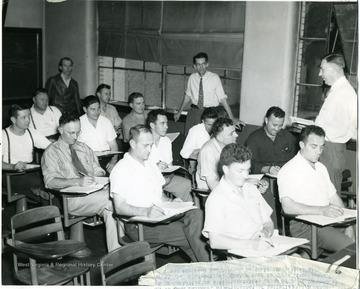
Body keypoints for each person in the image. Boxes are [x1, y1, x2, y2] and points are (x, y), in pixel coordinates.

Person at [110, 125, 209, 262]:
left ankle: (203, 265)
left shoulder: (150, 165)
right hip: (139, 224)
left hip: (161, 215)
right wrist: (146, 212)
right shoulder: (121, 169)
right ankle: (208, 266)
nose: (150, 150)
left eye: (151, 145)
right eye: (145, 146)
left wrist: (170, 202)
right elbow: (119, 207)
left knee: (197, 214)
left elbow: (159, 194)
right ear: (132, 143)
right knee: (192, 234)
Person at [41, 113, 120, 253]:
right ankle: (133, 242)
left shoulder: (83, 148)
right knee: (115, 200)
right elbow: (50, 182)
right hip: (72, 199)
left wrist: (100, 176)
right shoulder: (51, 152)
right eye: (71, 133)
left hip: (95, 194)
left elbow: (97, 169)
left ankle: (117, 254)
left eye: (78, 132)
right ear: (60, 130)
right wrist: (78, 181)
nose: (75, 136)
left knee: (111, 211)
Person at [277, 125, 355, 253]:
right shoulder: (289, 170)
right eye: (313, 147)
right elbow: (287, 207)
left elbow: (334, 198)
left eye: (322, 147)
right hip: (305, 225)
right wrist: (322, 210)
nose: (318, 151)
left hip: (327, 220)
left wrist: (348, 225)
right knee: (352, 249)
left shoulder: (321, 168)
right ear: (302, 145)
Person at [203, 143, 274, 252]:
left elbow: (268, 222)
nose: (246, 176)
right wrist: (252, 244)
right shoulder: (216, 198)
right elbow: (215, 241)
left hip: (263, 244)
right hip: (240, 251)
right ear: (226, 170)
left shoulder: (251, 189)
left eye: (248, 170)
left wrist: (264, 233)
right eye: (240, 171)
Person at [174, 52, 245, 135]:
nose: (201, 67)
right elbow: (187, 96)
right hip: (194, 112)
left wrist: (231, 117)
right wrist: (179, 112)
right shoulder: (192, 77)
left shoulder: (214, 78)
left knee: (208, 138)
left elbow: (222, 99)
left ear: (207, 64)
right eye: (198, 64)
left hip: (210, 113)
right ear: (194, 66)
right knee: (191, 137)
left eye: (203, 64)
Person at [315, 53, 357, 193]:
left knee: (330, 193)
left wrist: (316, 130)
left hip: (331, 148)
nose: (320, 74)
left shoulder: (344, 92)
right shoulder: (337, 90)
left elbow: (341, 128)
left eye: (323, 69)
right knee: (321, 191)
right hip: (326, 146)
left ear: (333, 69)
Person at [2, 104, 52, 202]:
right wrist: (13, 166)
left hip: (31, 171)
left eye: (28, 116)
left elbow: (51, 148)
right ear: (13, 119)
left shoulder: (32, 132)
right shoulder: (3, 136)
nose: (28, 120)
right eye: (23, 117)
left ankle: (42, 193)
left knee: (50, 181)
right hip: (11, 175)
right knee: (43, 185)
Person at [146, 109, 192, 202]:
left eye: (166, 123)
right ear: (152, 125)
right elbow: (138, 169)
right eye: (162, 123)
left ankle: (188, 212)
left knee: (186, 184)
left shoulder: (166, 141)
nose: (166, 127)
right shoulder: (144, 141)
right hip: (147, 179)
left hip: (165, 178)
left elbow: (170, 168)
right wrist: (155, 168)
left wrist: (168, 179)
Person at [245, 106, 297, 176]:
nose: (277, 128)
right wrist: (268, 169)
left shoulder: (287, 136)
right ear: (266, 120)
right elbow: (249, 164)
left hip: (285, 175)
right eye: (274, 125)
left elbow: (294, 159)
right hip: (263, 176)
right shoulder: (254, 139)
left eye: (280, 125)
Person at [78, 95, 119, 173]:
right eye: (93, 109)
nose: (97, 112)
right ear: (85, 109)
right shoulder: (79, 123)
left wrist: (113, 161)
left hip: (107, 159)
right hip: (88, 161)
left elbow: (113, 145)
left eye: (98, 108)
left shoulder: (106, 121)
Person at [180, 107, 218, 175]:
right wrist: (200, 152)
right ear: (203, 121)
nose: (212, 127)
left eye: (214, 124)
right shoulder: (195, 130)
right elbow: (184, 153)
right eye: (209, 125)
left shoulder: (219, 129)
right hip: (201, 168)